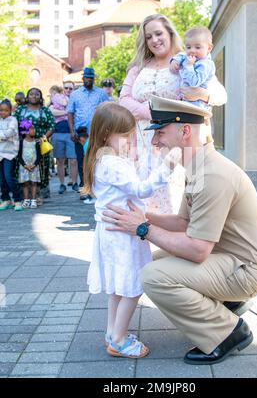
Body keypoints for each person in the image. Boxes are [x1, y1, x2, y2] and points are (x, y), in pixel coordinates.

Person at [102, 95, 257, 365]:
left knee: (153, 276)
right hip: (228, 260)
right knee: (147, 262)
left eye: (160, 132)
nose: (155, 141)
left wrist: (142, 228)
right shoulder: (198, 167)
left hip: (245, 270)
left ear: (184, 131)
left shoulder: (213, 175)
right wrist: (141, 216)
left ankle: (227, 332)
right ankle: (226, 305)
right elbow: (182, 223)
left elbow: (197, 250)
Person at [84, 102, 178, 359]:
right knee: (133, 287)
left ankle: (113, 332)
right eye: (125, 136)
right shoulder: (113, 164)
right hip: (123, 233)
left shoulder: (103, 159)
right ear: (106, 134)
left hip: (113, 232)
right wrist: (167, 167)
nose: (130, 140)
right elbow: (141, 189)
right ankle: (119, 340)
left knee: (118, 287)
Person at [119, 14, 227, 214]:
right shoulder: (138, 67)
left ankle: (174, 241)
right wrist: (152, 113)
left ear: (170, 33)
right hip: (143, 144)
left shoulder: (188, 61)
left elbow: (221, 96)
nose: (154, 40)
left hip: (177, 142)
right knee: (145, 201)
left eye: (158, 33)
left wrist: (201, 94)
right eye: (149, 36)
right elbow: (123, 99)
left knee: (174, 198)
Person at [67, 67, 109, 193]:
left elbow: (107, 111)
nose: (89, 80)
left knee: (97, 160)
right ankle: (84, 188)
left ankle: (96, 188)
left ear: (94, 78)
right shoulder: (75, 94)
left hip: (97, 133)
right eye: (86, 77)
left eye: (91, 78)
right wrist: (72, 131)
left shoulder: (101, 93)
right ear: (83, 78)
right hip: (80, 134)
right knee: (82, 161)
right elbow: (70, 113)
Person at [14, 88, 55, 204]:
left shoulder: (45, 110)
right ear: (27, 97)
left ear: (40, 97)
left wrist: (42, 139)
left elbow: (52, 126)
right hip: (23, 145)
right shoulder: (20, 110)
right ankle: (24, 196)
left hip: (40, 145)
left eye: (37, 94)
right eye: (31, 94)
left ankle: (39, 195)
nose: (34, 96)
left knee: (41, 169)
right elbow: (13, 124)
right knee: (23, 168)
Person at [170, 26, 215, 110]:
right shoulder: (190, 56)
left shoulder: (206, 65)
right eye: (188, 47)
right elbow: (182, 55)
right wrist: (175, 61)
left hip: (197, 105)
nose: (192, 50)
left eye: (197, 47)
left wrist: (189, 66)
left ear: (209, 48)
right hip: (185, 102)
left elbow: (194, 83)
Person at [49, 86, 78, 194]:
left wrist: (66, 111)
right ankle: (62, 184)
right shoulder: (52, 104)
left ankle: (74, 183)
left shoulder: (73, 101)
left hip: (71, 133)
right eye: (66, 88)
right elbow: (52, 112)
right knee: (60, 160)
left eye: (70, 88)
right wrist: (68, 112)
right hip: (57, 133)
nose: (68, 90)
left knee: (73, 160)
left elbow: (75, 113)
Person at [0, 99, 22, 211]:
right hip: (0, 153)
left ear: (10, 110)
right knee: (1, 179)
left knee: (9, 177)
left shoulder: (13, 120)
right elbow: (5, 135)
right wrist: (3, 136)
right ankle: (5, 199)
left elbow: (9, 133)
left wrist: (2, 136)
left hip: (10, 154)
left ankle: (17, 199)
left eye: (6, 110)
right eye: (1, 110)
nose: (3, 112)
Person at [18, 119, 41, 209]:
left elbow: (39, 156)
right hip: (24, 167)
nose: (34, 130)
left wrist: (34, 164)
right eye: (32, 129)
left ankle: (34, 200)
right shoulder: (21, 143)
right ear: (26, 131)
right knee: (25, 183)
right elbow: (19, 156)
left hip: (34, 166)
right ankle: (26, 199)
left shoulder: (36, 143)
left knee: (34, 183)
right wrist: (25, 165)